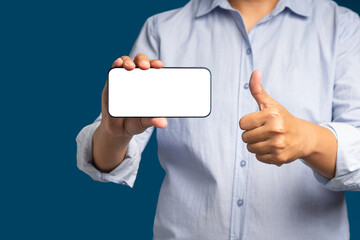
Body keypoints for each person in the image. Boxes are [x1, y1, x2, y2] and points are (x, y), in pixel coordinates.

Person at [76, 0, 360, 239]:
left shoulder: (342, 27)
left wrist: (307, 139)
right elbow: (106, 163)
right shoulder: (163, 30)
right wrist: (114, 135)